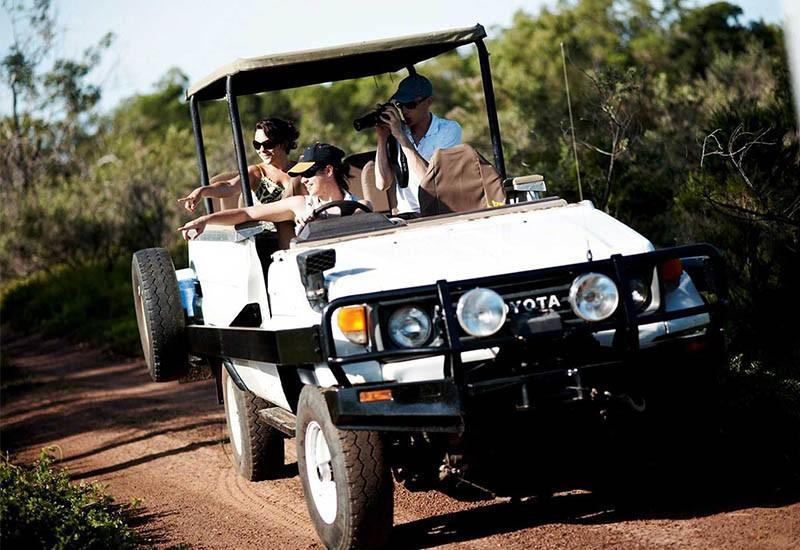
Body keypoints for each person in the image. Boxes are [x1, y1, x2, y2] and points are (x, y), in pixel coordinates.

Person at [178, 143, 367, 240]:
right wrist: (205, 220)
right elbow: (247, 213)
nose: (304, 180)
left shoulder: (360, 206)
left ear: (328, 171)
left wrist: (322, 221)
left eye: (309, 173)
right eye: (302, 175)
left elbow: (361, 228)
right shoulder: (300, 204)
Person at [374, 73, 462, 215]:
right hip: (406, 214)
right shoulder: (398, 132)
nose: (404, 111)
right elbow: (382, 184)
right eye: (400, 105)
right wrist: (382, 137)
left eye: (410, 104)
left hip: (439, 211)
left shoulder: (448, 130)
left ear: (429, 102)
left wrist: (401, 137)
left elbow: (433, 184)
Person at [178, 117, 302, 212]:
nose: (261, 150)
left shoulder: (302, 171)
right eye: (257, 145)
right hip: (264, 237)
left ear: (283, 144)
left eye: (268, 145)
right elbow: (229, 186)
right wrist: (201, 191)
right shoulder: (256, 173)